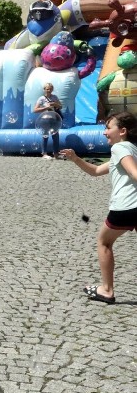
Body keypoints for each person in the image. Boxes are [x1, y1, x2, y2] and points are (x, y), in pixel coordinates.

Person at [60, 111, 137, 305]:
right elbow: (95, 171)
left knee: (104, 242)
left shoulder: (120, 148)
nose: (104, 132)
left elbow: (134, 173)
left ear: (123, 131)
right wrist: (76, 159)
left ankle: (107, 290)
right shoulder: (132, 149)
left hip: (126, 208)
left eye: (108, 128)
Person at [33, 82, 62, 159]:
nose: (49, 90)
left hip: (54, 119)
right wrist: (45, 108)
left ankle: (56, 153)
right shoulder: (41, 98)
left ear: (52, 89)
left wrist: (55, 105)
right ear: (44, 89)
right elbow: (35, 110)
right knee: (45, 136)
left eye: (50, 89)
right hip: (45, 119)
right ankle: (44, 153)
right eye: (47, 89)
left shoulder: (55, 97)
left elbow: (60, 106)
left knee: (56, 136)